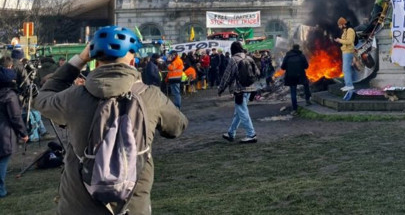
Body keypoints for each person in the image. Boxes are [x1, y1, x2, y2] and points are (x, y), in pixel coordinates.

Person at [35, 26, 188, 213]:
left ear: (95, 61)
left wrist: (79, 61)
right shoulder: (151, 96)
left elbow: (42, 98)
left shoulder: (73, 97)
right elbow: (177, 127)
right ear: (132, 60)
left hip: (78, 206)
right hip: (132, 206)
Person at [219, 41, 259, 144]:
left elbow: (227, 76)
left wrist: (221, 89)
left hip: (239, 90)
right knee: (239, 112)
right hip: (250, 89)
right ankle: (231, 133)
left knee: (242, 112)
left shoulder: (234, 60)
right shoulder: (249, 58)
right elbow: (258, 72)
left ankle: (251, 134)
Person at [1, 61, 28, 198]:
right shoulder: (10, 96)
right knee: (3, 160)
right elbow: (16, 117)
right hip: (4, 133)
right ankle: (1, 190)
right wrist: (23, 133)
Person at [280, 44, 312, 114]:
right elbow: (306, 66)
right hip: (301, 75)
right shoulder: (301, 56)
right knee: (306, 85)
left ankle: (295, 108)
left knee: (293, 91)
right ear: (298, 48)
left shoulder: (287, 56)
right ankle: (307, 100)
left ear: (292, 48)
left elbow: (282, 67)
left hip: (291, 77)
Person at [335, 17, 357, 91]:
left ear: (343, 24)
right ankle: (348, 84)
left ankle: (349, 85)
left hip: (348, 51)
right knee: (347, 69)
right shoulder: (346, 30)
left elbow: (349, 41)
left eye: (339, 25)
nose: (339, 27)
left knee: (346, 69)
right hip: (345, 51)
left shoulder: (350, 30)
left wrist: (339, 40)